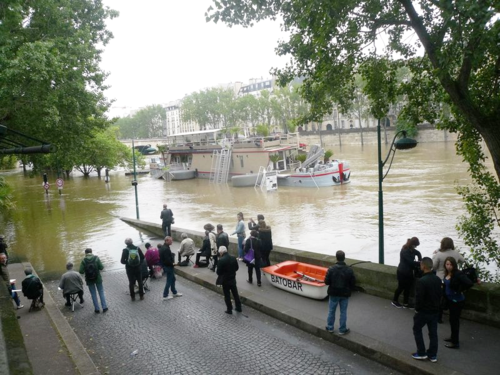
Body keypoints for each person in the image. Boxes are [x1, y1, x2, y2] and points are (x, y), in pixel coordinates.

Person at [412, 257, 442, 363]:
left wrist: (417, 310)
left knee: (417, 329)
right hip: (435, 311)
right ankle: (432, 355)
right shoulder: (438, 279)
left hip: (424, 311)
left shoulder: (421, 281)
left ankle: (421, 352)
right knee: (433, 333)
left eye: (421, 265)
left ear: (423, 266)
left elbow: (419, 298)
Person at [442, 257, 473, 349]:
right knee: (452, 320)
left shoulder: (458, 274)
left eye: (451, 264)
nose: (449, 266)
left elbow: (469, 283)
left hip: (457, 301)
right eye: (447, 264)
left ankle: (455, 343)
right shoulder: (447, 273)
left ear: (454, 265)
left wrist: (460, 290)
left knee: (454, 321)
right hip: (450, 300)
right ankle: (452, 337)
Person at [324, 250, 355, 335]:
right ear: (344, 258)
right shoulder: (349, 270)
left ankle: (330, 328)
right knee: (343, 312)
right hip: (344, 293)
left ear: (336, 258)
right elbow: (353, 283)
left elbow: (326, 282)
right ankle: (342, 329)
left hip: (333, 293)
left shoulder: (331, 269)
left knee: (331, 311)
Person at [392, 237, 422, 308]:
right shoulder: (405, 251)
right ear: (412, 244)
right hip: (402, 272)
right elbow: (410, 262)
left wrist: (419, 258)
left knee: (408, 288)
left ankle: (406, 303)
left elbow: (418, 253)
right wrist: (420, 263)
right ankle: (394, 300)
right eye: (415, 245)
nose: (416, 247)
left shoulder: (412, 249)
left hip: (409, 272)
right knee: (401, 287)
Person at [79, 248, 108, 313]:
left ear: (85, 253)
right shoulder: (96, 258)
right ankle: (104, 307)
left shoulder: (84, 260)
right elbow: (101, 267)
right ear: (91, 252)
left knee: (93, 294)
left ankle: (97, 309)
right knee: (101, 292)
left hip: (89, 280)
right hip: (98, 278)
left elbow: (81, 271)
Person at [216, 246, 242, 314]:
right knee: (235, 293)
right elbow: (236, 268)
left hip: (225, 280)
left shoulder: (221, 260)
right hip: (232, 278)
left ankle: (229, 309)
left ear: (221, 252)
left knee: (227, 295)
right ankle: (239, 307)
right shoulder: (233, 258)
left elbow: (218, 272)